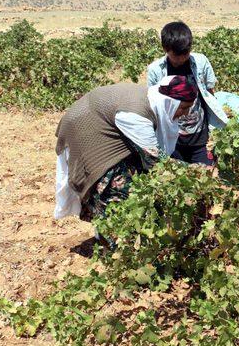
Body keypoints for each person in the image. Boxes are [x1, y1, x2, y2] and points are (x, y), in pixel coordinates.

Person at [54, 75, 198, 223]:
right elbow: (155, 160)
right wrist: (198, 171)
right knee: (112, 182)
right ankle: (113, 230)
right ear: (170, 103)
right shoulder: (135, 116)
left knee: (136, 172)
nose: (185, 114)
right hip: (86, 129)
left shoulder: (156, 101)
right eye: (183, 108)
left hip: (99, 118)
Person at [147, 22, 228, 166]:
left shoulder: (201, 62)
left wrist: (214, 131)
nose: (182, 58)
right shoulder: (155, 70)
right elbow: (154, 105)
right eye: (177, 55)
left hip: (200, 137)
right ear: (165, 49)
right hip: (172, 138)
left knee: (207, 175)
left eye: (186, 53)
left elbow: (210, 94)